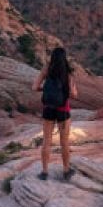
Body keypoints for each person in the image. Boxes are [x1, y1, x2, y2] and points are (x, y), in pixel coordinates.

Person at [32, 47, 77, 180]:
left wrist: (45, 89)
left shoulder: (46, 69)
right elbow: (73, 94)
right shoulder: (68, 73)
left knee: (47, 140)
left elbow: (34, 87)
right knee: (64, 142)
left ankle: (45, 172)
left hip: (48, 108)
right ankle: (66, 170)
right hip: (63, 110)